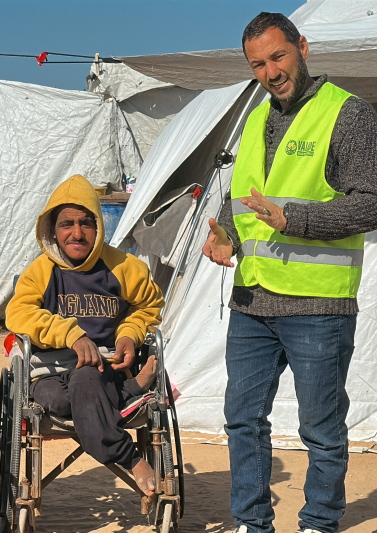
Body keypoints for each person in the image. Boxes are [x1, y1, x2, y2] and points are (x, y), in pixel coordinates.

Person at [202, 12, 377, 533]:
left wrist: (294, 219)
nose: (271, 72)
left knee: (320, 429)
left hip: (318, 307)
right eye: (258, 64)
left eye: (278, 56)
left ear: (302, 46)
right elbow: (245, 196)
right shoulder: (255, 120)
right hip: (252, 303)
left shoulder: (349, 115)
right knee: (242, 420)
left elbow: (371, 204)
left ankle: (319, 522)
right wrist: (225, 234)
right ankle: (252, 523)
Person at [5, 174, 164, 498]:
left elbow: (149, 306)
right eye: (66, 224)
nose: (76, 233)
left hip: (100, 368)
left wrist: (129, 335)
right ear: (52, 228)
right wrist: (70, 334)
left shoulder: (123, 267)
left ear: (99, 226)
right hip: (47, 371)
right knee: (59, 402)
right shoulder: (41, 271)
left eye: (85, 223)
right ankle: (132, 391)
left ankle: (130, 458)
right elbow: (17, 314)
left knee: (83, 383)